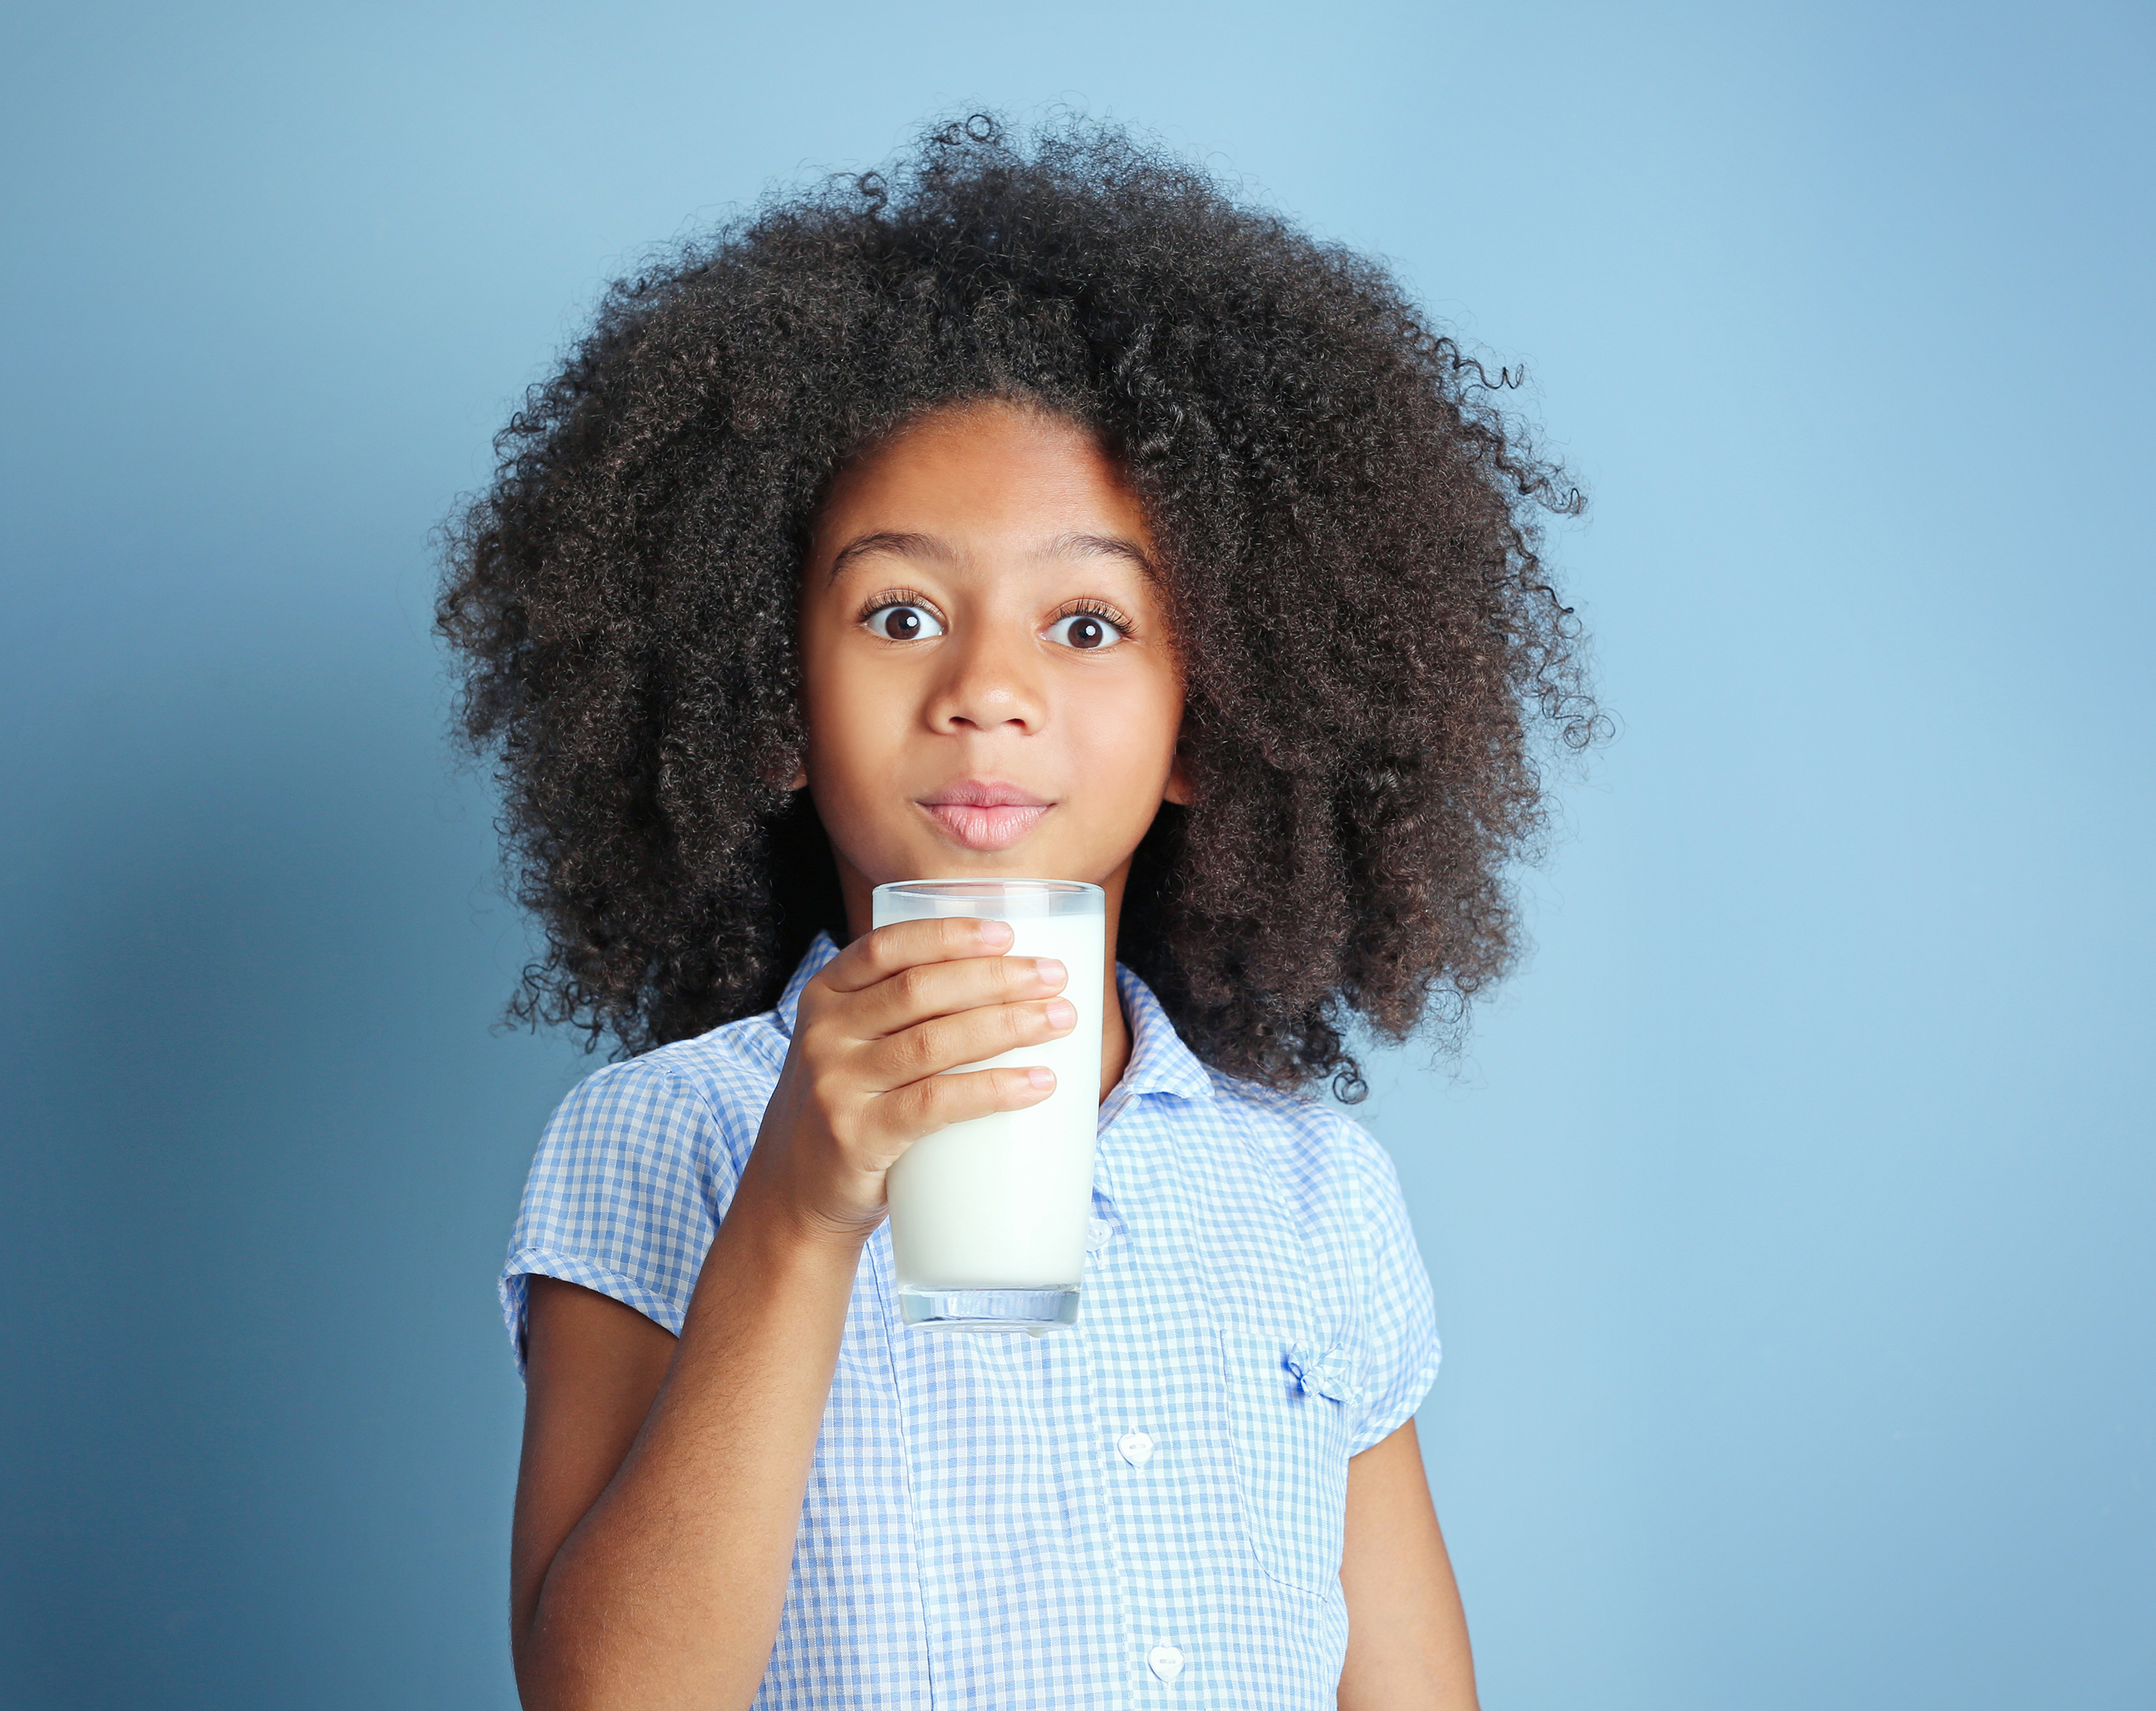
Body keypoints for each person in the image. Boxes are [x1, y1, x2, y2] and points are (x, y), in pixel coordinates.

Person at [437, 113, 1598, 1711]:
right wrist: (791, 1211)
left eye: (1087, 621)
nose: (987, 689)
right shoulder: (667, 1138)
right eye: (901, 612)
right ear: (770, 703)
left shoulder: (1317, 1196)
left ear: (1211, 722)